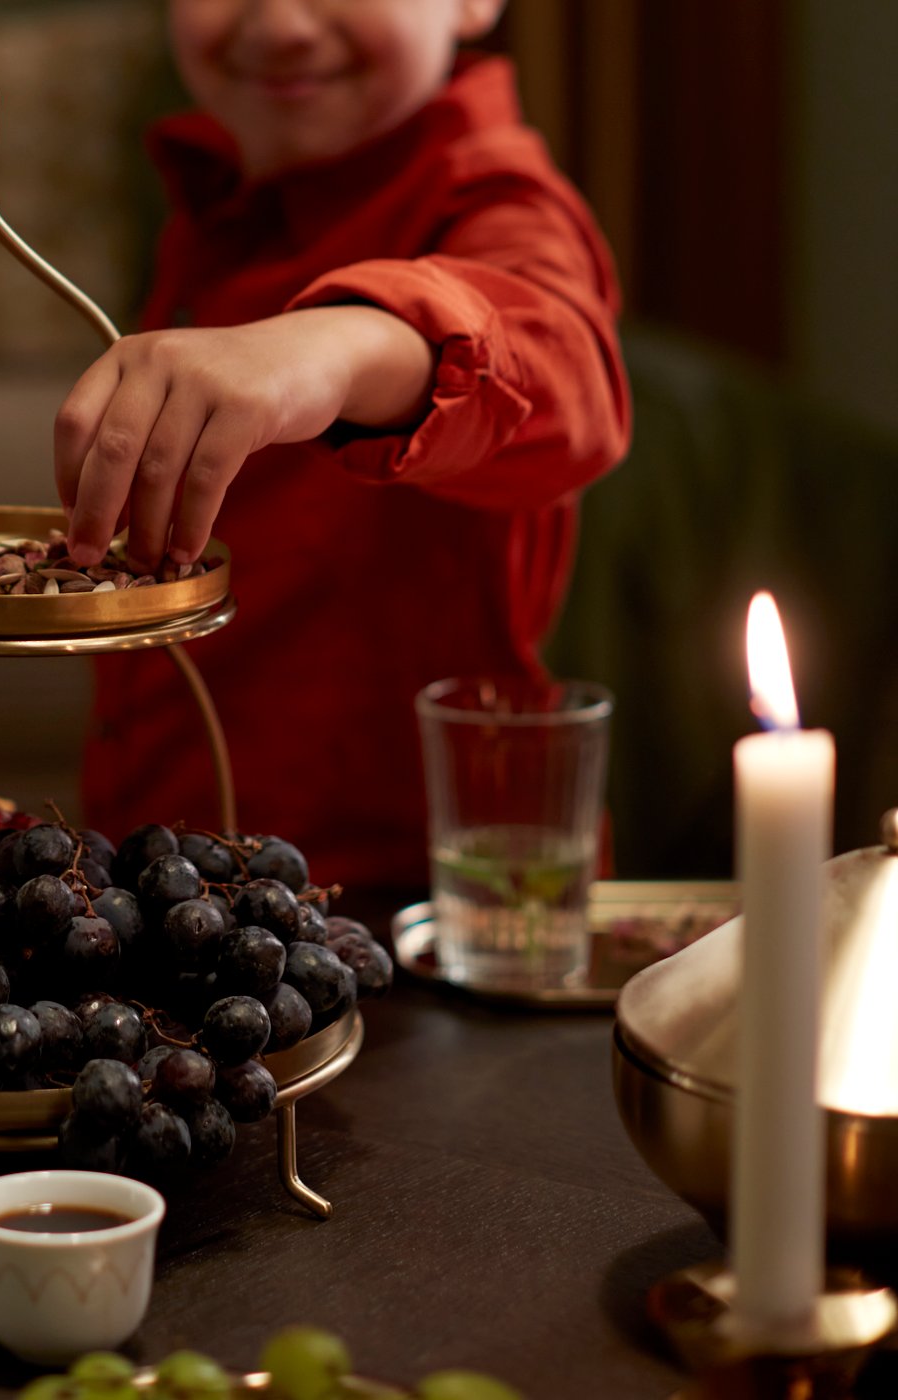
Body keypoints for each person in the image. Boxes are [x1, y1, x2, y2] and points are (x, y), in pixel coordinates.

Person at [54, 0, 630, 892]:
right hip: (171, 882)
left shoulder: (496, 196)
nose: (283, 24)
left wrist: (333, 347)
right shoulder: (213, 195)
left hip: (409, 914)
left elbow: (568, 375)